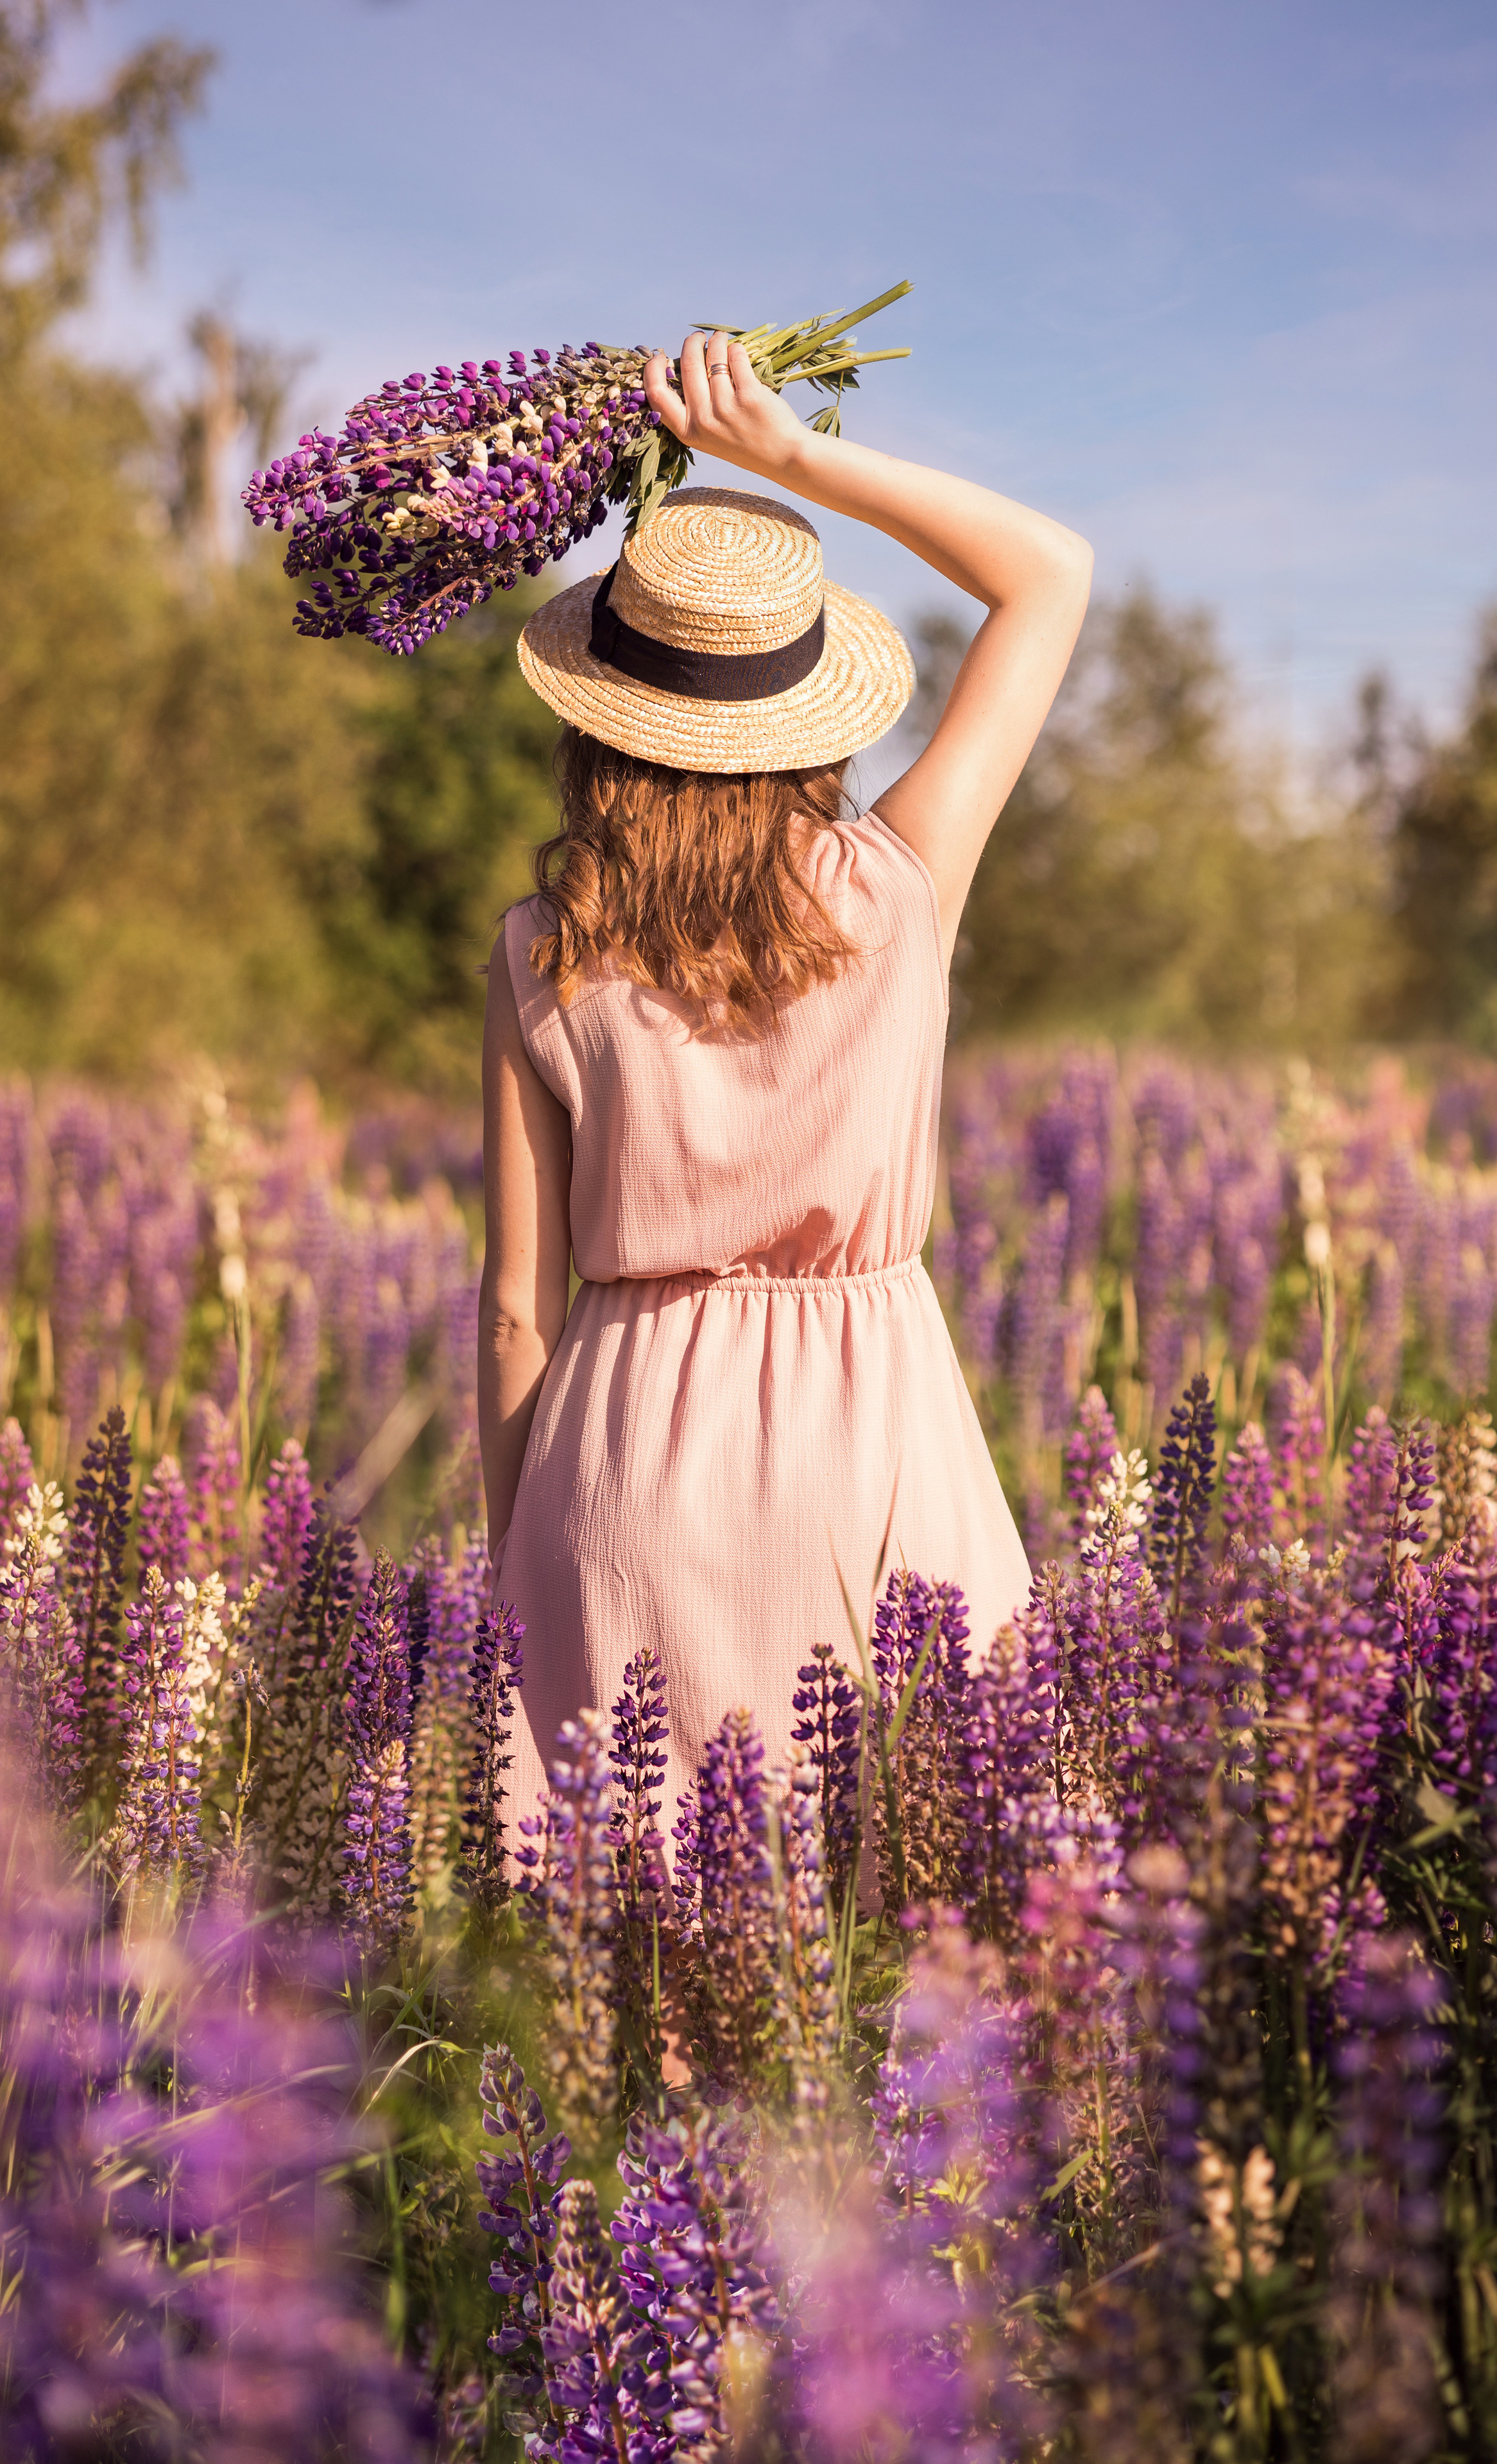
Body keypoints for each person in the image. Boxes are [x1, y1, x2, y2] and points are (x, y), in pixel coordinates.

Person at [479, 328, 1092, 1847]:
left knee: (637, 1978)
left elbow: (511, 1308)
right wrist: (791, 455)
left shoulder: (542, 949)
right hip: (872, 1427)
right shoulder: (900, 881)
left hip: (620, 1461)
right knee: (935, 1916)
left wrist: (521, 1576)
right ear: (807, 705)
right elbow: (1049, 574)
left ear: (597, 723)